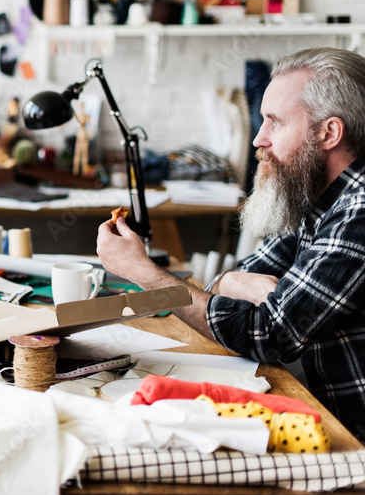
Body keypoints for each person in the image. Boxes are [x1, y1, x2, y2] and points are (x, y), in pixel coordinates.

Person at [96, 47, 365, 441]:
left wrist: (145, 274)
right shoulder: (317, 197)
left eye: (275, 123)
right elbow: (235, 279)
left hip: (353, 440)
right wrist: (238, 285)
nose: (259, 139)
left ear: (329, 133)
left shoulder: (358, 209)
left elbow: (269, 334)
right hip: (326, 416)